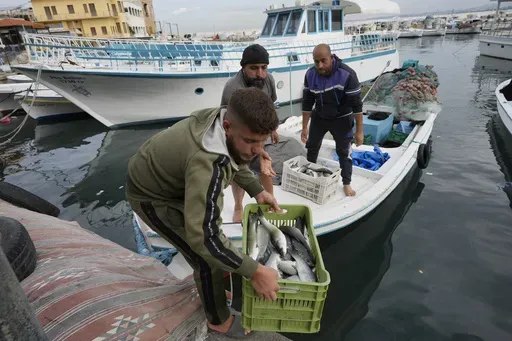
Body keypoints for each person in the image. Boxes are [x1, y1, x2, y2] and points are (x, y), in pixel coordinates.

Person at [125, 88, 281, 338]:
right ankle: (218, 320)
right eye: (251, 141)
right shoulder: (207, 163)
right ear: (228, 127)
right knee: (205, 258)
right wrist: (256, 271)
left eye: (262, 141)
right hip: (151, 196)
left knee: (215, 256)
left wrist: (257, 190)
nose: (256, 150)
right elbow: (204, 238)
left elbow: (234, 157)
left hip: (175, 181)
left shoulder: (222, 124)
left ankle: (213, 289)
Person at [221, 44, 279, 223]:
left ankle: (270, 202)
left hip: (261, 130)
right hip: (239, 134)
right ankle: (239, 206)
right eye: (254, 68)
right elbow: (228, 124)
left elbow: (271, 104)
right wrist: (253, 147)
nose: (260, 74)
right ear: (243, 68)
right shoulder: (232, 88)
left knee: (265, 168)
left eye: (264, 67)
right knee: (239, 169)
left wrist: (273, 129)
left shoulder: (268, 79)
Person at [301, 43, 364, 197]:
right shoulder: (310, 74)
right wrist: (304, 127)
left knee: (343, 152)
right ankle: (311, 174)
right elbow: (307, 103)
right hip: (319, 116)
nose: (320, 65)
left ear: (331, 57)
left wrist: (359, 132)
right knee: (312, 146)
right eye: (316, 62)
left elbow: (357, 106)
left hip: (341, 118)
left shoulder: (347, 74)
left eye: (323, 61)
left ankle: (347, 183)